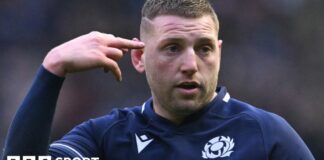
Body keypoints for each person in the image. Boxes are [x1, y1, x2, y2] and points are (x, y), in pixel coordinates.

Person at [2, 0, 314, 159]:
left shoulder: (266, 134)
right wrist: (52, 68)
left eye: (203, 48)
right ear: (139, 58)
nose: (190, 64)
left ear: (218, 54)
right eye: (172, 48)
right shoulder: (106, 139)